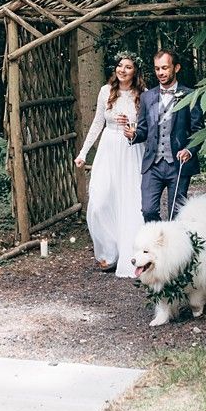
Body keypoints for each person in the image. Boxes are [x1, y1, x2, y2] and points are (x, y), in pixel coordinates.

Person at [74, 51, 146, 276]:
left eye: (128, 67)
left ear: (135, 72)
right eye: (120, 65)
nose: (122, 70)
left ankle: (131, 254)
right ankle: (108, 249)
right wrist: (83, 153)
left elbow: (147, 125)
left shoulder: (142, 94)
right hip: (108, 148)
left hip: (131, 148)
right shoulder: (106, 91)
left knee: (130, 200)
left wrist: (132, 125)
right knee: (100, 199)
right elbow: (97, 122)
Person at [124, 49, 204, 223]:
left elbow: (199, 131)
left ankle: (175, 240)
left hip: (178, 164)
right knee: (148, 210)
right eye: (157, 68)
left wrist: (189, 150)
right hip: (152, 165)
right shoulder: (147, 97)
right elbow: (143, 130)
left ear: (176, 68)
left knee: (177, 214)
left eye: (165, 68)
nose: (160, 72)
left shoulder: (190, 95)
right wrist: (133, 135)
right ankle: (159, 239)